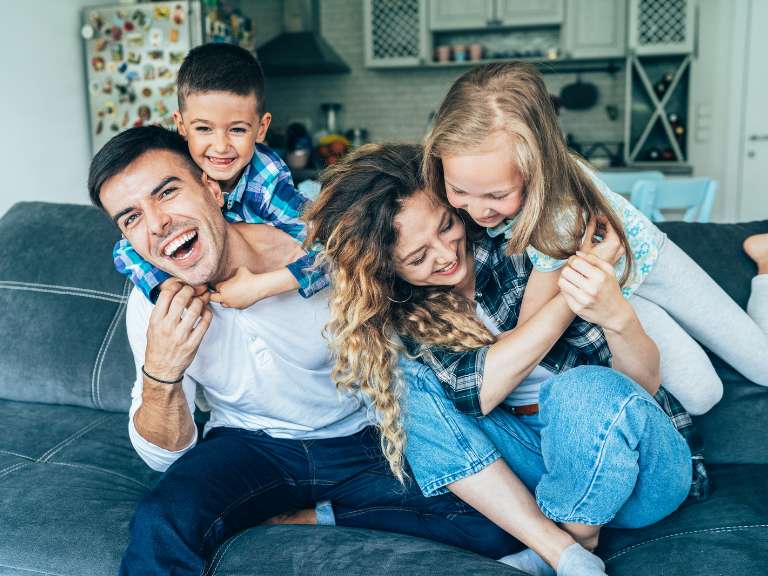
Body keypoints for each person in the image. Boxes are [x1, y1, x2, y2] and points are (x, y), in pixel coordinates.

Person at [89, 127, 526, 575]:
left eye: (166, 193)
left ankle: (320, 514)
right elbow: (164, 457)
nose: (157, 223)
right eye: (131, 218)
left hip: (363, 438)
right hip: (251, 446)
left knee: (498, 523)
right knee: (161, 521)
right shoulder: (153, 300)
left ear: (211, 188)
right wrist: (162, 372)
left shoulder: (316, 250)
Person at [304, 143, 702, 576]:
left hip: (642, 471)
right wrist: (571, 295)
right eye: (417, 258)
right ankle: (560, 550)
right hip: (540, 466)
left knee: (579, 388)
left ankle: (575, 538)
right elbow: (480, 393)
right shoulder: (412, 313)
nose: (445, 254)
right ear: (388, 271)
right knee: (400, 384)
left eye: (445, 225)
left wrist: (602, 302)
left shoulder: (524, 247)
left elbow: (636, 388)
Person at [421, 61, 768, 416]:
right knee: (701, 394)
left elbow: (530, 332)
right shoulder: (465, 183)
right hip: (617, 290)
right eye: (459, 190)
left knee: (763, 366)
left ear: (538, 167)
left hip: (651, 265)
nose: (478, 211)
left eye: (496, 196)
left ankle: (765, 262)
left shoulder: (558, 213)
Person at [112, 42, 325, 307]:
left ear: (261, 128)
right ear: (181, 125)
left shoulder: (266, 181)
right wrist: (167, 284)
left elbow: (331, 256)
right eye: (203, 129)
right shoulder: (175, 171)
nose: (221, 146)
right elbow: (125, 250)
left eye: (237, 130)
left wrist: (258, 288)